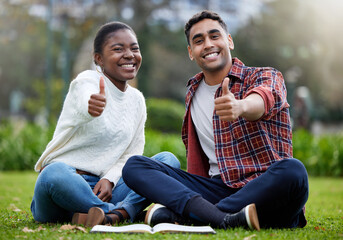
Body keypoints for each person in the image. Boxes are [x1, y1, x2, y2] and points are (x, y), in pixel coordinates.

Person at [122, 10, 309, 230]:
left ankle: (197, 216)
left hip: (266, 186)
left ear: (229, 41)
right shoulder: (193, 91)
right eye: (199, 41)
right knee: (135, 166)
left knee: (293, 171)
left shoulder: (265, 75)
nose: (208, 44)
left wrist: (241, 106)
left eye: (215, 36)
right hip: (217, 188)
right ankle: (223, 219)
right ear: (191, 52)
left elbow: (265, 98)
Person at [30, 21, 180, 228]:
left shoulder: (136, 99)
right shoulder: (88, 80)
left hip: (106, 188)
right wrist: (91, 105)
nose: (129, 55)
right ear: (98, 59)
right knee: (53, 173)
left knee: (167, 161)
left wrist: (110, 179)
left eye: (134, 48)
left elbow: (132, 153)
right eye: (118, 49)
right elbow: (84, 96)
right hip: (65, 186)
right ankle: (119, 212)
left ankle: (103, 214)